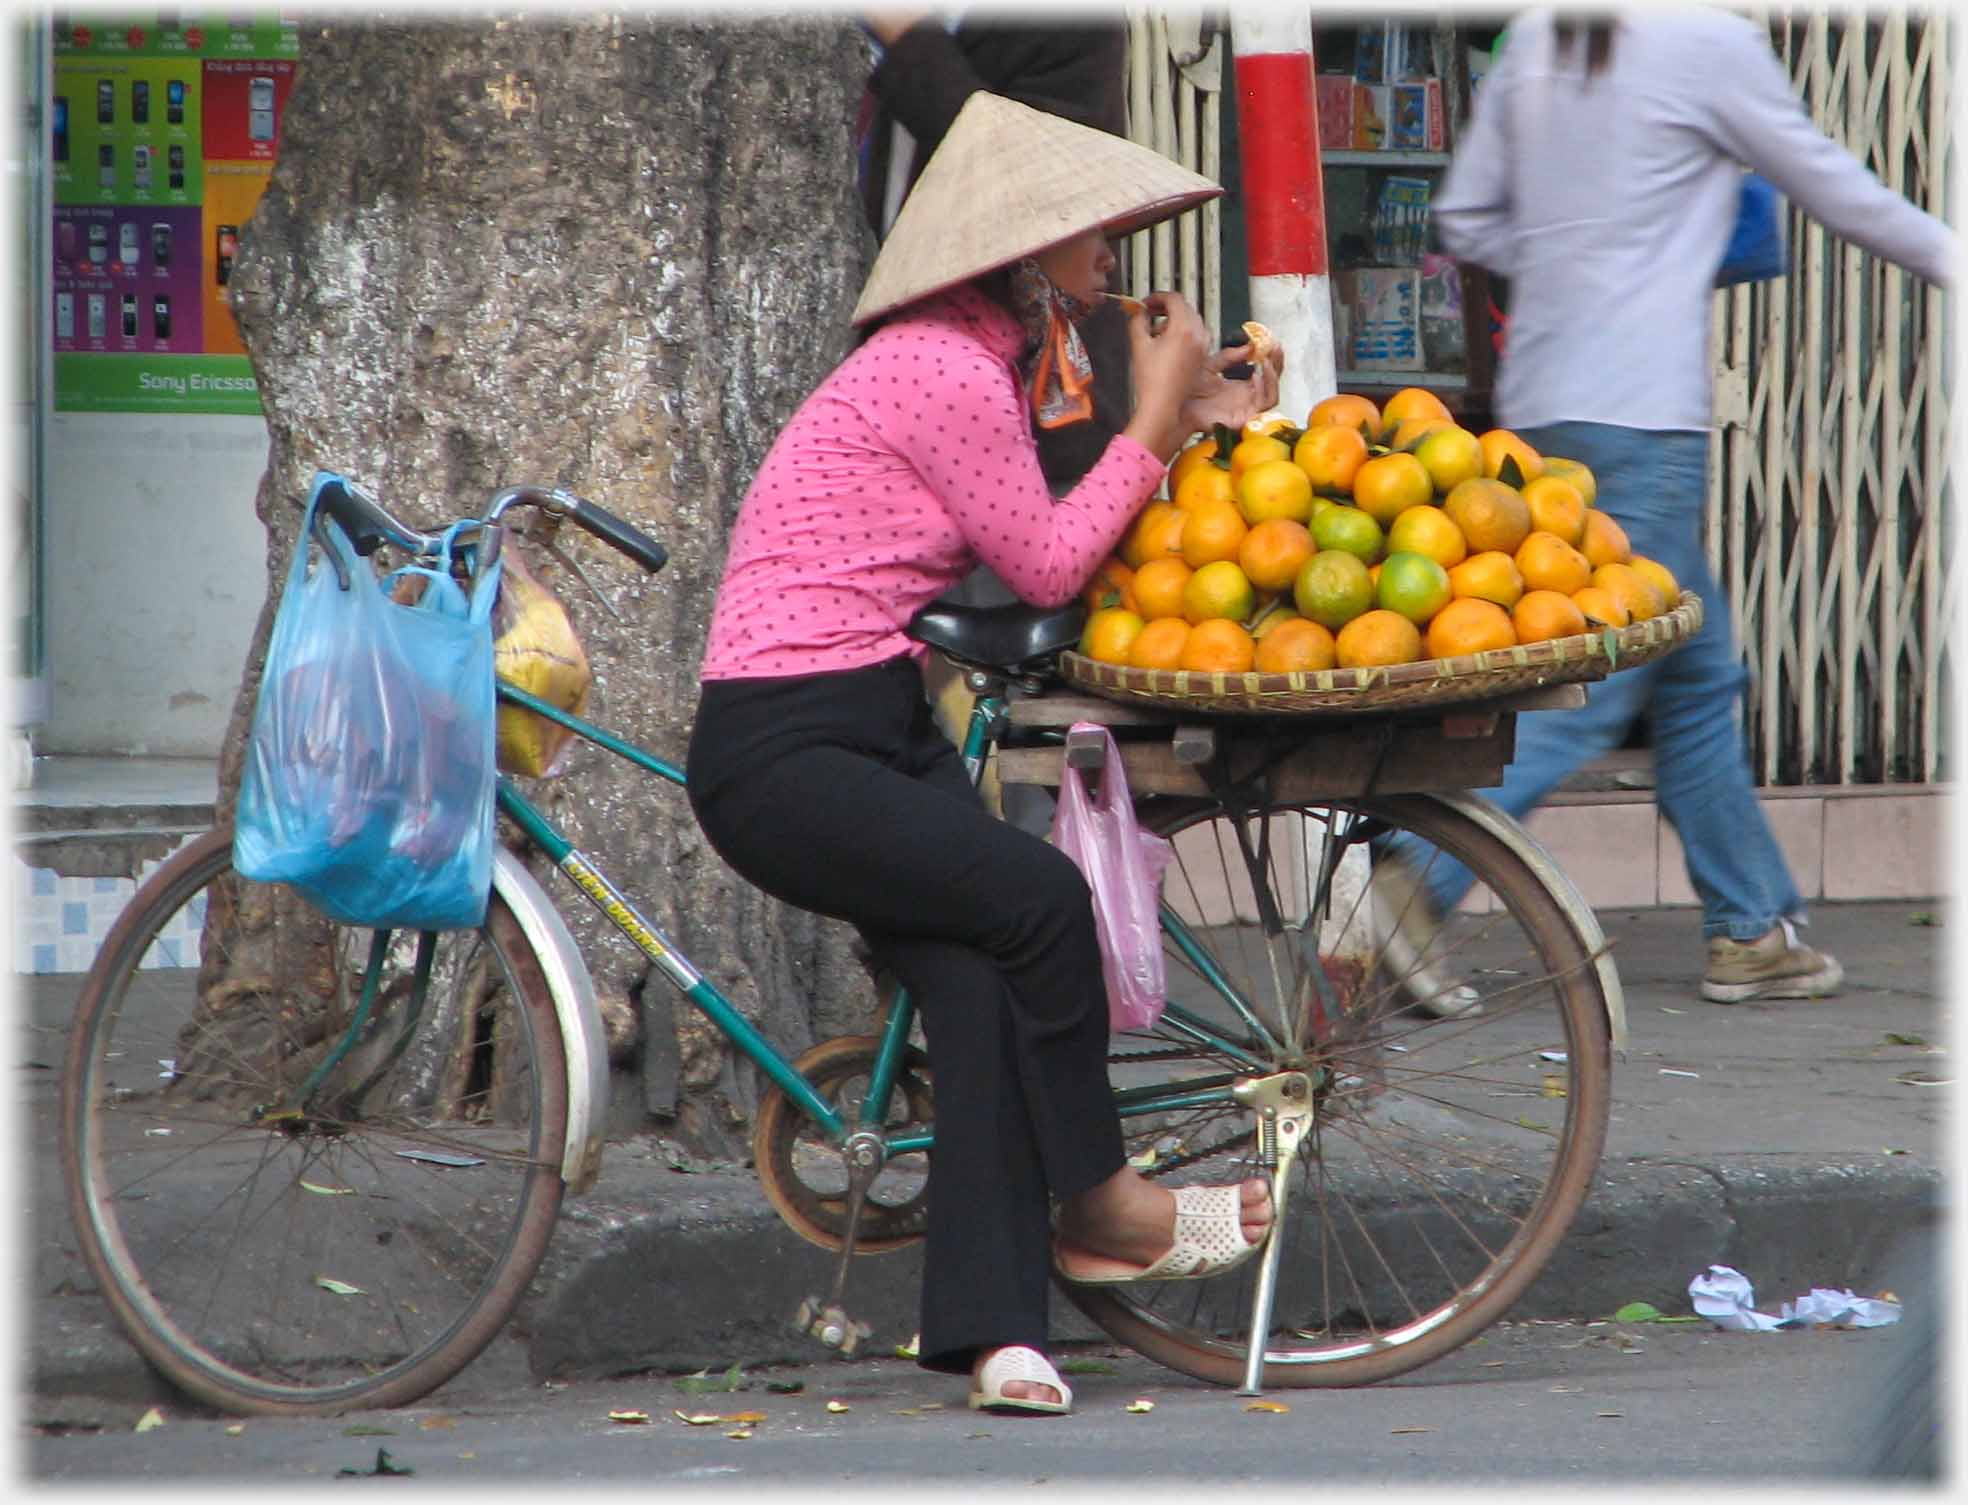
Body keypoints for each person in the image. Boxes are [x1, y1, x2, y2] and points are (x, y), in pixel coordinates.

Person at [686, 92, 1281, 1416]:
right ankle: (1107, 1196)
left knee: (980, 995)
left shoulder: (986, 360)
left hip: (869, 730)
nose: (1113, 253)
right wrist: (1160, 408)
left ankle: (996, 1333)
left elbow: (1065, 498)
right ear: (1018, 251)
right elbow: (1055, 559)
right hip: (790, 749)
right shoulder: (942, 370)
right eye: (1088, 234)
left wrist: (1186, 412)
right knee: (1042, 899)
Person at [1375, 7, 1956, 1012]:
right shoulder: (1705, 42)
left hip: (1543, 408)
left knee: (1694, 670)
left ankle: (1751, 925)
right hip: (1642, 417)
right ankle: (1408, 880)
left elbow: (1465, 218)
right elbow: (1835, 187)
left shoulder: (1542, 41)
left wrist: (1571, 259)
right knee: (1603, 676)